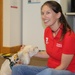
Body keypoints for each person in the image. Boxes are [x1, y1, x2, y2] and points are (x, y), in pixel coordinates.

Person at [12, 1, 75, 75]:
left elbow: (63, 66)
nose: (44, 16)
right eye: (42, 13)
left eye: (48, 13)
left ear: (58, 15)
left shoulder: (69, 36)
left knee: (48, 72)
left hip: (67, 71)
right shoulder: (47, 31)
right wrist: (30, 52)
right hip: (50, 68)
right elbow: (49, 53)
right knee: (17, 68)